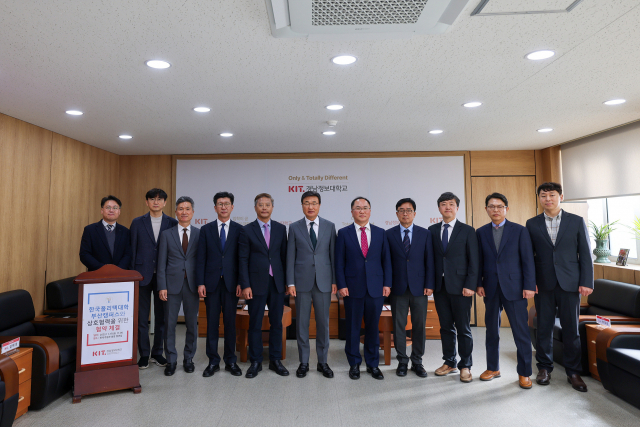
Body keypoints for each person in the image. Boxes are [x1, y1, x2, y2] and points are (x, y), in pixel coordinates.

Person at [526, 182, 593, 392]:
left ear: (560, 197)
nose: (548, 199)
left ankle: (573, 372)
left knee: (571, 329)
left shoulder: (576, 221)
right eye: (543, 195)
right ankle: (544, 368)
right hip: (543, 284)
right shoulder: (532, 224)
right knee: (543, 327)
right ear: (539, 198)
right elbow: (529, 257)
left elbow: (585, 253)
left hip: (570, 283)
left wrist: (586, 282)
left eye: (552, 195)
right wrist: (530, 282)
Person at [476, 193, 535, 389]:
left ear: (506, 209)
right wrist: (478, 283)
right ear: (486, 209)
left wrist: (529, 285)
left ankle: (524, 373)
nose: (495, 210)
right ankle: (493, 368)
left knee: (520, 332)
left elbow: (528, 260)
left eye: (499, 206)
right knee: (492, 331)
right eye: (491, 206)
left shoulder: (519, 230)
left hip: (515, 288)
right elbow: (478, 261)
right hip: (490, 288)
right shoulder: (481, 232)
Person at [335, 197, 392, 380]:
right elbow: (339, 262)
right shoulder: (343, 233)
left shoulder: (380, 233)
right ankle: (354, 364)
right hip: (352, 289)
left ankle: (373, 364)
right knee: (353, 328)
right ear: (352, 212)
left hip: (376, 288)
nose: (362, 211)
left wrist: (387, 284)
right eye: (358, 208)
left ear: (370, 211)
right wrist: (342, 285)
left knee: (373, 327)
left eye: (365, 208)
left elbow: (386, 261)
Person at [428, 192, 478, 383]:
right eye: (443, 204)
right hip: (440, 287)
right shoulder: (432, 230)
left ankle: (466, 365)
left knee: (463, 328)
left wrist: (470, 285)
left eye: (451, 204)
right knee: (445, 327)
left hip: (462, 287)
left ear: (457, 208)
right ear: (439, 208)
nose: (447, 207)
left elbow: (474, 260)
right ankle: (449, 362)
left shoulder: (467, 231)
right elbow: (430, 260)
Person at [286, 190, 337, 379]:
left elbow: (333, 256)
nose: (310, 206)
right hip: (301, 283)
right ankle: (304, 362)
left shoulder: (329, 226)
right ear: (302, 206)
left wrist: (334, 281)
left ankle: (323, 362)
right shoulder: (294, 227)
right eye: (307, 203)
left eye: (314, 203)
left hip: (324, 282)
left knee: (323, 324)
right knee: (302, 324)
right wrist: (290, 282)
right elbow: (290, 257)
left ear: (319, 205)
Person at [239, 193, 289, 378]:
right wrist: (245, 285)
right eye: (261, 205)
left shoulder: (280, 229)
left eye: (268, 205)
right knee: (255, 323)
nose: (264, 208)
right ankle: (256, 361)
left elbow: (284, 257)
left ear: (272, 208)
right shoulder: (247, 230)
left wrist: (286, 282)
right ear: (255, 208)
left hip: (277, 283)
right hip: (255, 284)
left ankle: (275, 360)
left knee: (277, 322)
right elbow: (242, 259)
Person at [195, 192, 244, 377]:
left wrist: (241, 282)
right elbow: (201, 259)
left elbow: (242, 259)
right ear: (215, 207)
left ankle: (231, 361)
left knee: (230, 323)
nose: (223, 207)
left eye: (227, 203)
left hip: (232, 284)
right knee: (212, 324)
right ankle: (213, 361)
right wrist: (200, 283)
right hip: (211, 284)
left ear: (232, 207)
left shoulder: (240, 230)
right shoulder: (206, 230)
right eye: (220, 204)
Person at [385, 198, 434, 378]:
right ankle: (402, 361)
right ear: (397, 213)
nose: (405, 213)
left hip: (420, 288)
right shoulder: (388, 234)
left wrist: (429, 284)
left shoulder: (425, 233)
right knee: (399, 325)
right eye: (401, 210)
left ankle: (417, 361)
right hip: (397, 288)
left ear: (414, 213)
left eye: (409, 210)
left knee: (419, 325)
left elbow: (430, 261)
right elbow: (386, 263)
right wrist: (387, 284)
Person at [129, 188, 177, 369]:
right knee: (142, 317)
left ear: (165, 202)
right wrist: (132, 275)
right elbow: (132, 249)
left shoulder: (172, 223)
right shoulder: (137, 222)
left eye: (159, 199)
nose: (156, 202)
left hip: (164, 276)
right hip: (141, 274)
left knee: (162, 317)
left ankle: (157, 353)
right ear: (147, 202)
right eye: (152, 199)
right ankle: (144, 354)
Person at [157, 197, 200, 376]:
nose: (184, 212)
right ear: (175, 212)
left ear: (192, 212)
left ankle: (188, 359)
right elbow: (161, 263)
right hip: (171, 286)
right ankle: (171, 360)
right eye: (180, 209)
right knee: (169, 325)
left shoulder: (199, 234)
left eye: (187, 209)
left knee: (192, 324)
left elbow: (202, 262)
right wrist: (162, 286)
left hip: (192, 285)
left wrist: (202, 284)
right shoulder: (166, 234)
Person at [80, 195, 132, 271]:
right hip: (96, 274)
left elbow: (128, 254)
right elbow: (84, 254)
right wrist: (103, 269)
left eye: (115, 208)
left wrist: (118, 270)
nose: (111, 210)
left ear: (119, 211)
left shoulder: (125, 231)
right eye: (108, 207)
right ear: (102, 210)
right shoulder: (90, 230)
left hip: (119, 274)